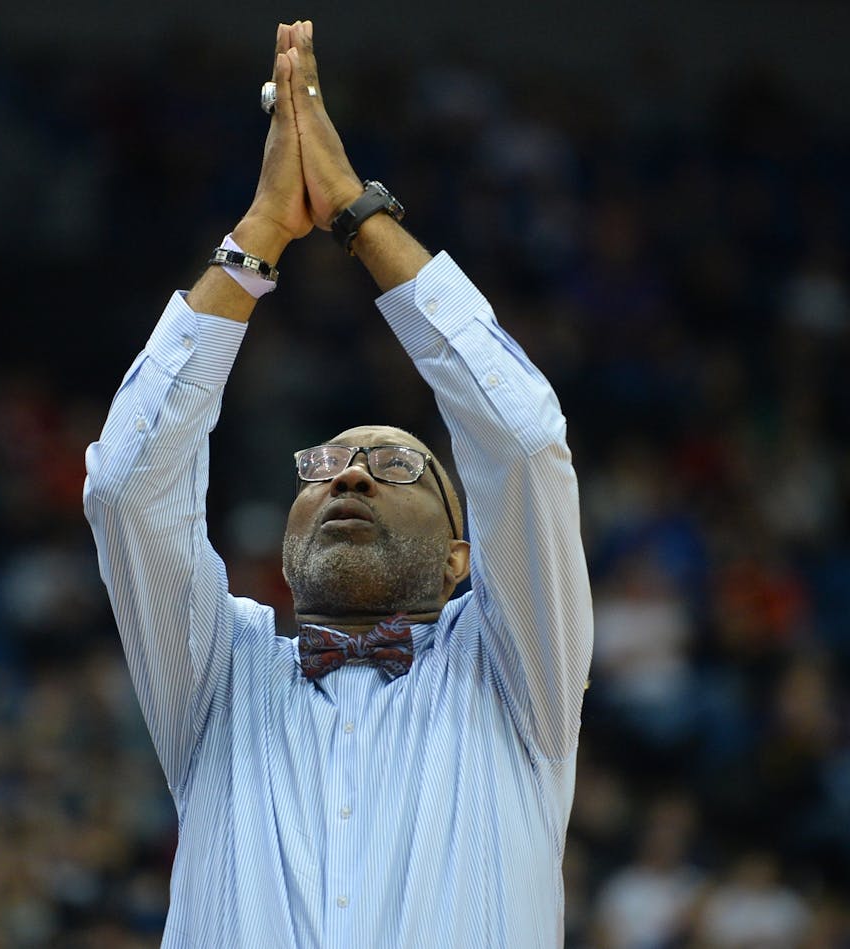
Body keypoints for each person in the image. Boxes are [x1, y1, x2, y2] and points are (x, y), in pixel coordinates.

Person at [84, 20, 592, 947]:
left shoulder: (519, 672)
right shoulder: (215, 672)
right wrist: (257, 238)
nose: (349, 470)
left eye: (397, 463)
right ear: (284, 537)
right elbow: (126, 486)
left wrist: (358, 215)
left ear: (458, 556)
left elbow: (519, 442)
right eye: (321, 467)